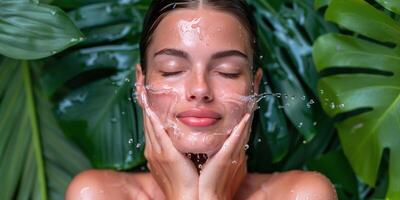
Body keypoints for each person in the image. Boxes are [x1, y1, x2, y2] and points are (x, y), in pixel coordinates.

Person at [66, 0, 337, 199]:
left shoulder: (301, 195)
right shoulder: (98, 194)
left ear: (254, 88)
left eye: (227, 71)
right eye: (172, 69)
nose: (199, 89)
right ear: (141, 85)